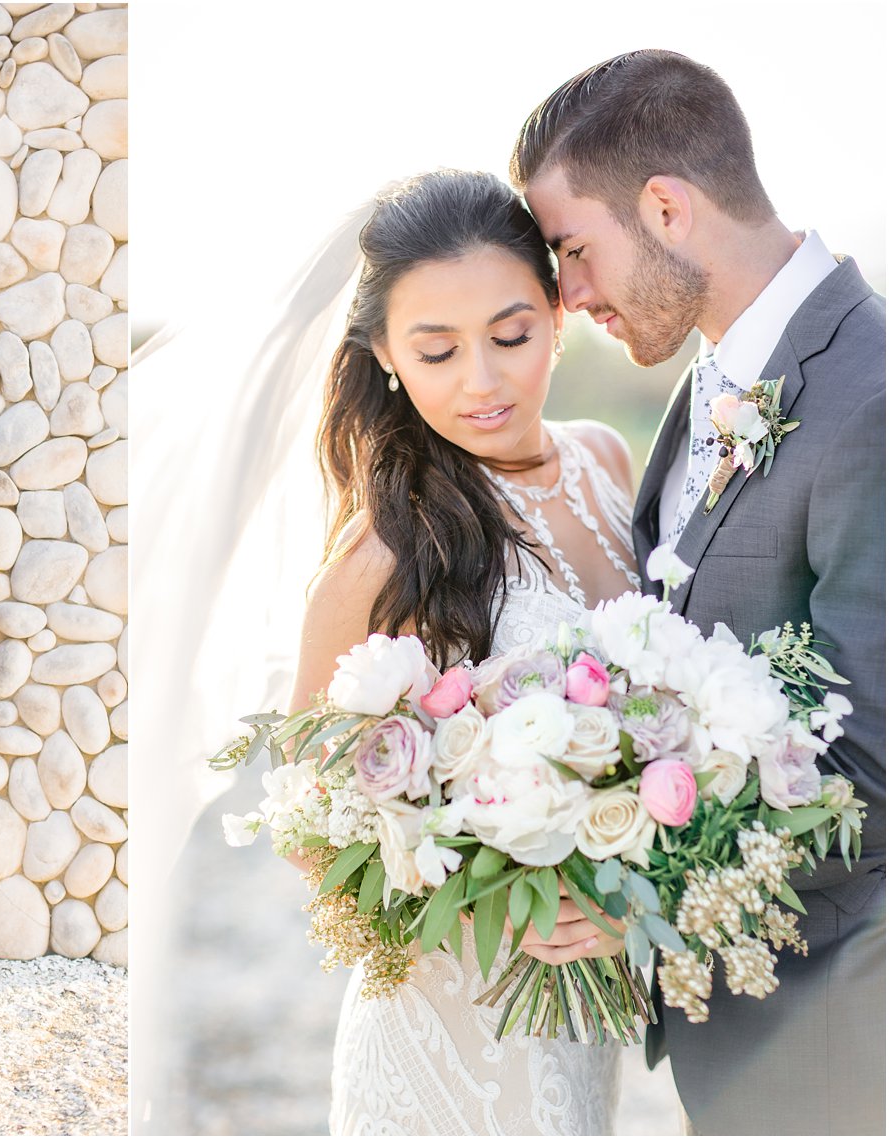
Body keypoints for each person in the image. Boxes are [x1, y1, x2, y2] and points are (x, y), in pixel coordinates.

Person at [510, 49, 886, 1136]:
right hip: (735, 1015)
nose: (567, 296)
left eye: (573, 250)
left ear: (665, 208)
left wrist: (633, 871)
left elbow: (868, 768)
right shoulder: (710, 381)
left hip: (835, 1015)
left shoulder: (871, 395)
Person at [291, 170, 637, 1135]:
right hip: (454, 1018)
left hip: (588, 1000)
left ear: (559, 314)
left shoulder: (609, 461)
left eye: (512, 335)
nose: (482, 381)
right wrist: (501, 897)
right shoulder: (383, 554)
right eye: (437, 351)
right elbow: (307, 826)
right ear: (387, 358)